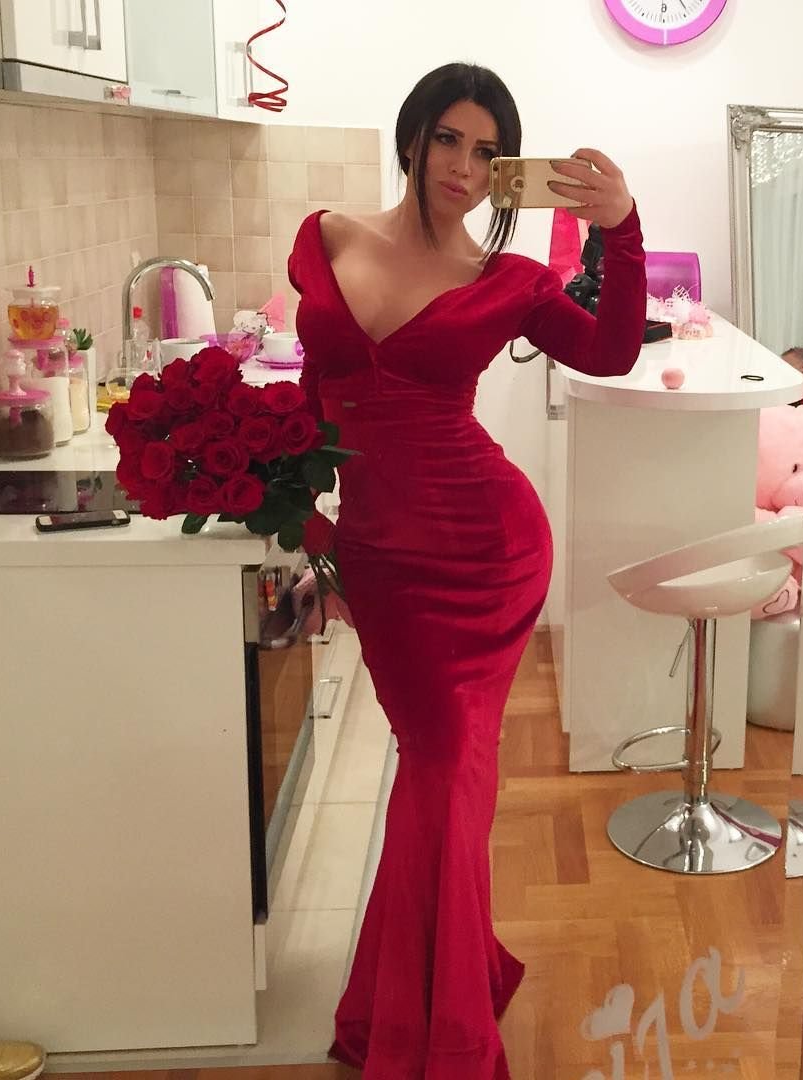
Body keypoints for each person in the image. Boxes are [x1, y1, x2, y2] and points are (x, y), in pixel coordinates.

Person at [287, 62, 647, 1079]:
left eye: (489, 152)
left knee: (444, 777)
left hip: (489, 554)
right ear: (412, 136)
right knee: (436, 779)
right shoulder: (326, 239)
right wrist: (313, 537)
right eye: (448, 138)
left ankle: (432, 1031)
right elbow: (312, 398)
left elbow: (612, 352)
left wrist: (622, 230)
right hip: (380, 558)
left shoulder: (511, 281)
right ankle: (421, 1000)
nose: (463, 165)